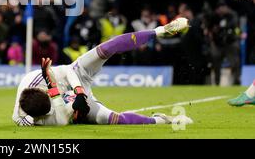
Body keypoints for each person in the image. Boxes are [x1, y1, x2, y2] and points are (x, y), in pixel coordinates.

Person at [12, 18, 193, 126]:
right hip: (71, 103)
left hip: (75, 78)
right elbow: (60, 117)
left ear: (42, 91)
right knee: (113, 118)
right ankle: (161, 120)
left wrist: (78, 90)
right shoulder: (47, 118)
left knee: (107, 47)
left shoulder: (33, 79)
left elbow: (68, 71)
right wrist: (75, 108)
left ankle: (160, 31)